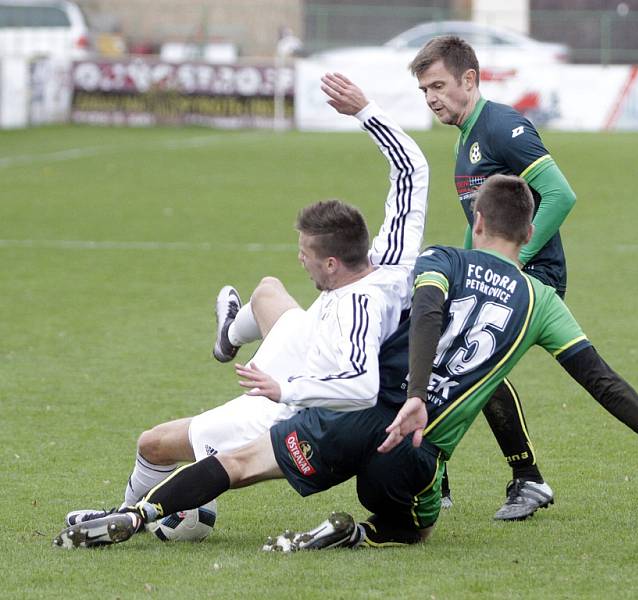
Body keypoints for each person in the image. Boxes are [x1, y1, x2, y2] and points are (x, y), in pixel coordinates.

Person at [54, 174, 638, 551]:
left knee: (235, 465)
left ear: (477, 224)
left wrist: (409, 385)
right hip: (410, 449)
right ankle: (360, 534)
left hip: (355, 406)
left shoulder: (441, 257)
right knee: (415, 525)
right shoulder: (542, 303)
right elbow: (601, 380)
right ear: (529, 234)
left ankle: (138, 516)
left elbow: (428, 313)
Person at [62, 73, 429, 527]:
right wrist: (363, 110)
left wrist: (284, 390)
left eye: (307, 255)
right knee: (268, 291)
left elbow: (358, 387)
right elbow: (412, 169)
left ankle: (125, 514)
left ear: (332, 263)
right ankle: (228, 337)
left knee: (152, 443)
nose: (302, 260)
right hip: (305, 344)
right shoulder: (390, 262)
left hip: (293, 397)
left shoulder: (357, 309)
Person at [408, 35, 578, 520]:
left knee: (471, 362)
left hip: (534, 272)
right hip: (501, 270)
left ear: (469, 79)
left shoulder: (502, 126)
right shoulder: (466, 138)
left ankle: (524, 479)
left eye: (438, 85)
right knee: (451, 353)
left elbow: (560, 195)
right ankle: (437, 478)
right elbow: (480, 218)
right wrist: (465, 271)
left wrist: (512, 261)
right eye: (424, 90)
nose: (432, 97)